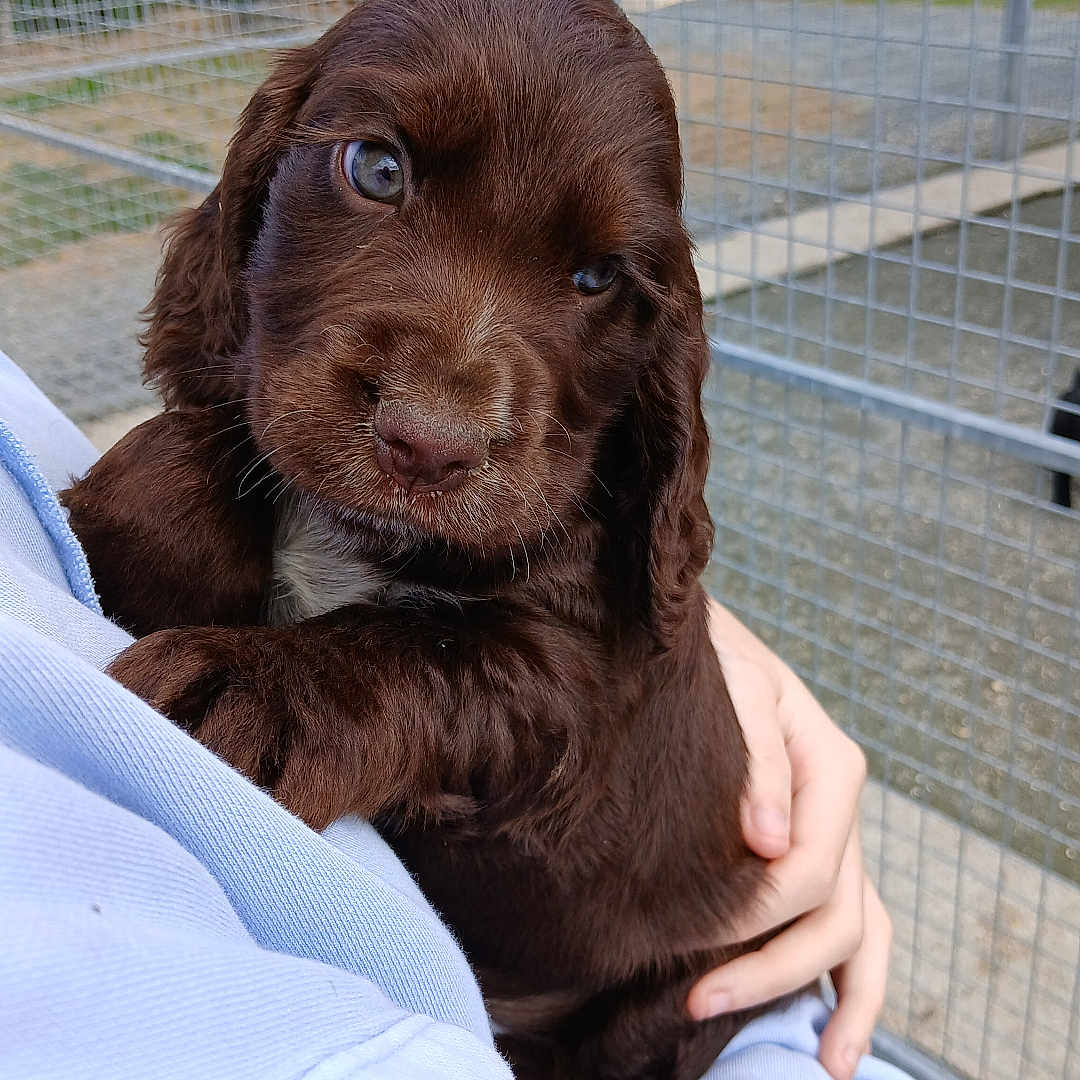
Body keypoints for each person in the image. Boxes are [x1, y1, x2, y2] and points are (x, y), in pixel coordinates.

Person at [0, 350, 903, 1080]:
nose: (438, 419)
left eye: (592, 275)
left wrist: (668, 606)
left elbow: (561, 665)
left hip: (672, 994)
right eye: (375, 187)